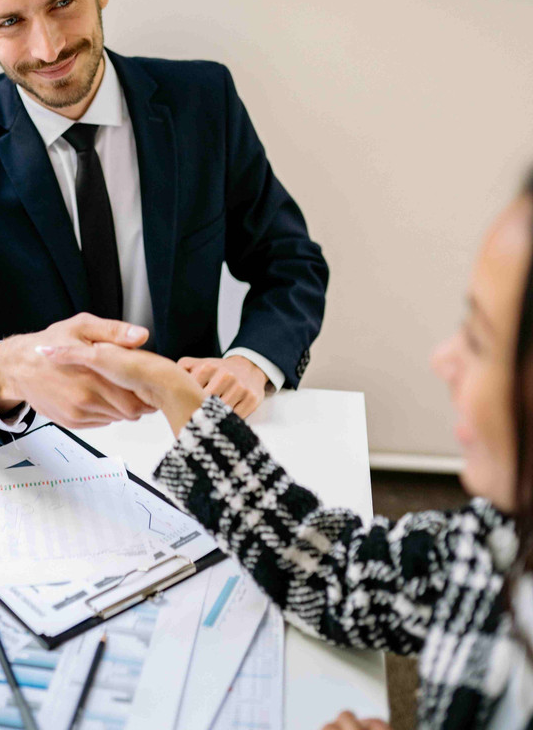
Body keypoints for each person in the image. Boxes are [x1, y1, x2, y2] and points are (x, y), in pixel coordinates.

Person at [41, 172, 533, 730]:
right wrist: (179, 398)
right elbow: (333, 572)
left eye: (482, 340)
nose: (444, 360)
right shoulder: (497, 541)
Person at [0, 0, 328, 446]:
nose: (48, 47)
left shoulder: (205, 100)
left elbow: (290, 263)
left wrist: (252, 361)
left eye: (63, 4)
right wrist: (14, 366)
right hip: (37, 448)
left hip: (184, 427)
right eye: (10, 22)